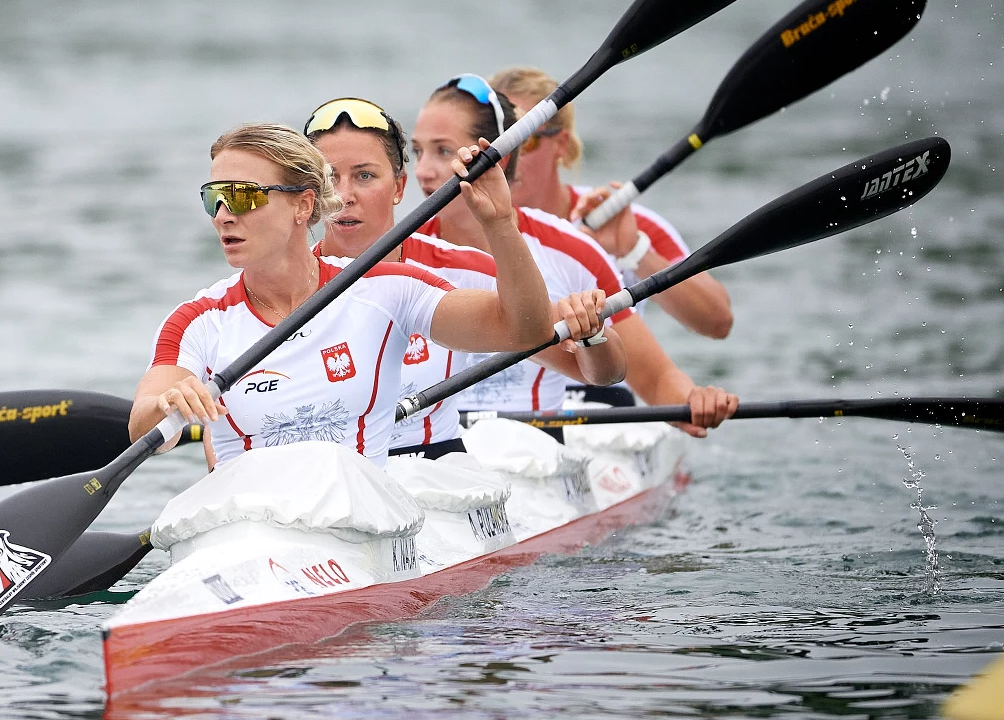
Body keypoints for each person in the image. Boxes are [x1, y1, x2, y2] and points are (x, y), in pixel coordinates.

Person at [129, 123, 581, 470]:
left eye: (244, 196)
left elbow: (527, 331)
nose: (224, 215)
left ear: (303, 206)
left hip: (356, 523)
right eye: (215, 198)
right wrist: (166, 407)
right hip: (246, 522)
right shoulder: (197, 320)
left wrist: (500, 224)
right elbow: (143, 430)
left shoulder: (384, 290)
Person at [411, 74, 738, 436]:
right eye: (416, 152)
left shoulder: (575, 249)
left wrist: (688, 402)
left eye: (442, 150)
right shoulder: (398, 255)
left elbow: (651, 373)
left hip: (546, 444)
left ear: (495, 157)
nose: (422, 172)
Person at [303, 97, 626, 458]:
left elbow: (603, 375)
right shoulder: (276, 288)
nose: (345, 196)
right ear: (310, 194)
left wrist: (592, 334)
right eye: (330, 178)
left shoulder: (464, 270)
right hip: (336, 484)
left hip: (434, 479)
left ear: (398, 187)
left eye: (365, 176)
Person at [491, 66, 734, 340]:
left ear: (560, 144)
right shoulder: (458, 225)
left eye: (524, 139)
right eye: (497, 140)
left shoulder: (621, 222)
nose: (507, 156)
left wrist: (633, 252)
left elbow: (718, 321)